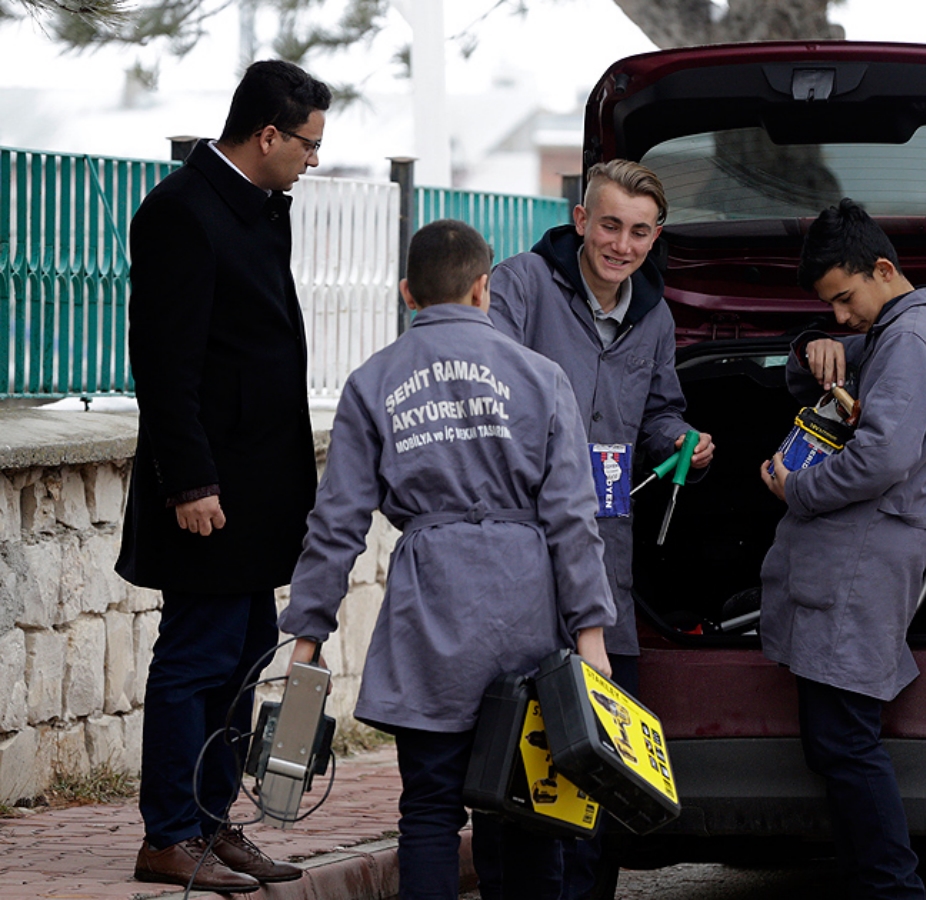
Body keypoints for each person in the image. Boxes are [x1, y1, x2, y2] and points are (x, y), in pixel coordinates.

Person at [279, 219, 616, 900]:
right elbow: (572, 518)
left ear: (408, 292)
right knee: (530, 816)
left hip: (429, 614)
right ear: (483, 288)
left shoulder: (372, 381)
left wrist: (308, 632)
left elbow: (337, 520)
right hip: (526, 615)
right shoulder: (541, 376)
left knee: (428, 813)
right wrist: (590, 634)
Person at [116, 59, 329, 894]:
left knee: (242, 654)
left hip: (259, 486)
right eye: (307, 143)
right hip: (206, 489)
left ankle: (212, 823)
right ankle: (168, 834)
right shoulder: (180, 212)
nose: (313, 159)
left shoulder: (261, 208)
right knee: (195, 657)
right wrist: (190, 482)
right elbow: (166, 366)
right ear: (268, 134)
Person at [485, 158, 713, 897]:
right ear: (582, 220)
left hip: (605, 570)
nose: (623, 245)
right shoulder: (521, 283)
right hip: (520, 562)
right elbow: (486, 388)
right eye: (610, 225)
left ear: (656, 237)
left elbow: (659, 412)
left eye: (641, 232)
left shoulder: (655, 313)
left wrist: (684, 442)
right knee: (517, 759)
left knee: (604, 760)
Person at [757, 198, 926, 900]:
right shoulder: (897, 330)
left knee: (846, 742)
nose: (842, 317)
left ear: (883, 268)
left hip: (863, 564)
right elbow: (837, 383)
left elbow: (879, 457)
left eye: (846, 299)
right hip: (855, 563)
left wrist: (796, 489)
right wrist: (818, 345)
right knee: (837, 741)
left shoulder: (910, 340)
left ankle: (895, 892)